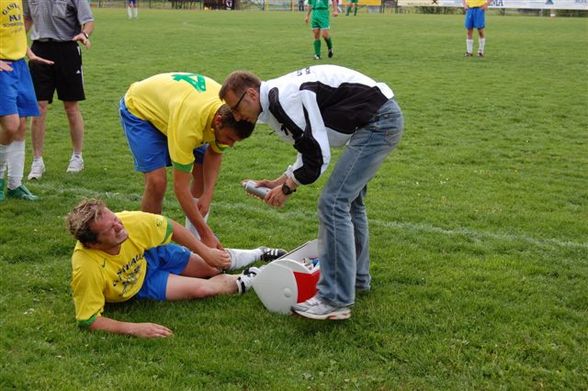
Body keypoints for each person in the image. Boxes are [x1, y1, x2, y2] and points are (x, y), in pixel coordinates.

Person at [220, 65, 404, 320]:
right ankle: (357, 280)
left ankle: (334, 299)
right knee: (350, 203)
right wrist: (281, 180)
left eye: (236, 108)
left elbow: (318, 154)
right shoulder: (276, 98)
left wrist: (288, 188)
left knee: (333, 203)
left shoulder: (281, 99)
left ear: (251, 94)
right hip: (376, 120)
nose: (237, 117)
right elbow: (307, 144)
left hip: (378, 123)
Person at [66, 198, 286, 338]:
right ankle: (259, 276)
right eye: (110, 230)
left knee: (212, 266)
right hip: (138, 282)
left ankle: (259, 253)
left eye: (115, 219)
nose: (119, 226)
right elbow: (89, 320)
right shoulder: (86, 268)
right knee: (203, 289)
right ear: (93, 244)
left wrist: (206, 252)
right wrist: (134, 328)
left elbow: (171, 227)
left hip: (152, 255)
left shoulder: (129, 221)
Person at [119, 72, 255, 250]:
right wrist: (208, 233)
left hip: (176, 109)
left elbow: (213, 155)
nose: (230, 145)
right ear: (218, 121)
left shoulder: (230, 112)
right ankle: (150, 246)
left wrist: (207, 194)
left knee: (201, 172)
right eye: (229, 138)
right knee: (157, 182)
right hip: (140, 109)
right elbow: (180, 187)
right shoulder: (190, 126)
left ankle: (195, 243)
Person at [22, 0, 95, 180]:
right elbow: (27, 18)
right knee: (38, 107)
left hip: (67, 49)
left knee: (71, 107)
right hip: (39, 49)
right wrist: (15, 39)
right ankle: (37, 160)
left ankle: (77, 156)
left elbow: (88, 20)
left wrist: (84, 34)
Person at [0, 0, 53, 202]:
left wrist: (29, 53)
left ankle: (15, 184)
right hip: (2, 67)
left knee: (21, 125)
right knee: (11, 125)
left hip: (19, 66)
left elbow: (16, 30)